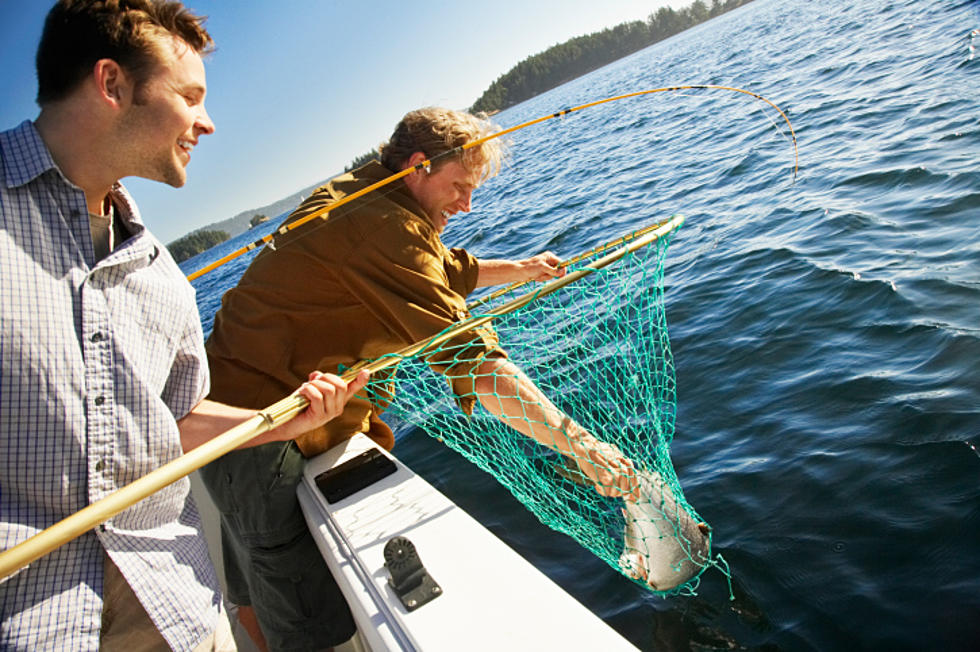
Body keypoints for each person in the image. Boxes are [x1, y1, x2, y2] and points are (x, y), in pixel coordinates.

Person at [201, 106, 640, 651]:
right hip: (261, 438)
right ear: (418, 167)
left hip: (222, 413)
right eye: (459, 186)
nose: (467, 204)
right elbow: (473, 360)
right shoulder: (384, 230)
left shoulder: (365, 190)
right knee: (303, 625)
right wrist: (580, 447)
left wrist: (523, 268)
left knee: (251, 592)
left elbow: (445, 267)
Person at [0, 2, 367, 650]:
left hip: (184, 617)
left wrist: (293, 420)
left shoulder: (160, 275)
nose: (208, 121)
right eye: (190, 96)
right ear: (112, 84)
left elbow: (174, 419)